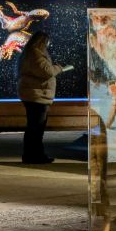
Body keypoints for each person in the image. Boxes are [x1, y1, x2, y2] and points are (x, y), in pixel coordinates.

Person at [17, 32, 72, 163]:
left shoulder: (30, 52)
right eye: (47, 42)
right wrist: (59, 68)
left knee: (34, 128)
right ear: (41, 41)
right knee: (36, 128)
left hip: (36, 94)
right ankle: (35, 156)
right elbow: (47, 72)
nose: (48, 45)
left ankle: (32, 155)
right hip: (37, 95)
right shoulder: (35, 53)